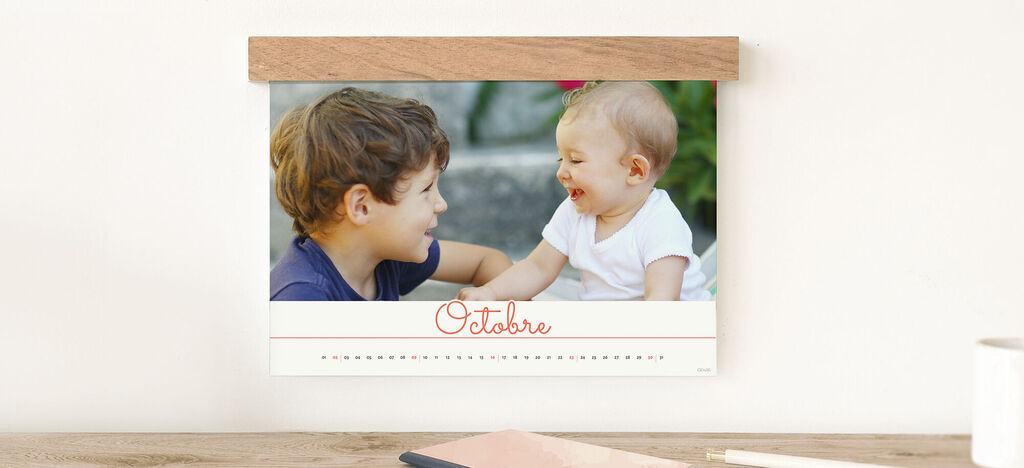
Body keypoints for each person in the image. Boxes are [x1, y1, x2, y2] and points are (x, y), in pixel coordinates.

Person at [458, 81, 709, 301]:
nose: (561, 172)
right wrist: (490, 292)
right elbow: (537, 267)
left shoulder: (660, 222)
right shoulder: (574, 212)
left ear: (634, 171)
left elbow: (662, 300)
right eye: (561, 160)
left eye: (575, 161)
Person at [270, 87, 512, 301]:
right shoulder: (302, 298)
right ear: (361, 206)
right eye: (426, 189)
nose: (441, 204)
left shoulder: (383, 251)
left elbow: (488, 261)